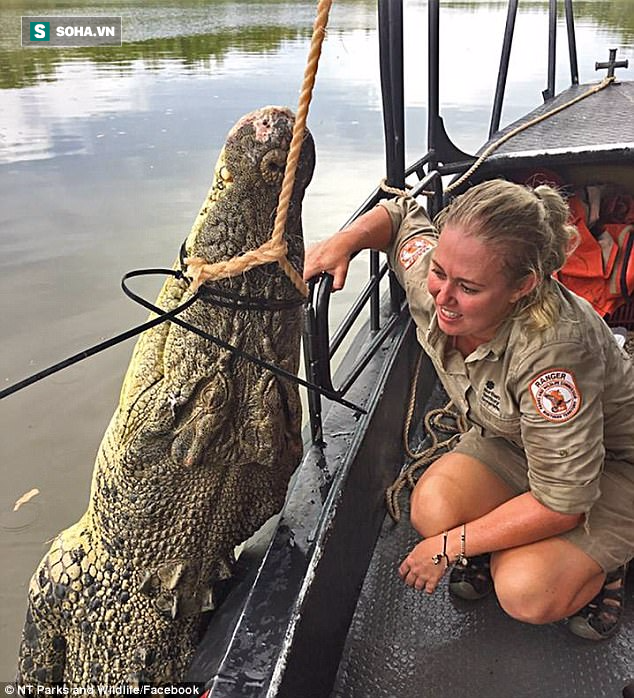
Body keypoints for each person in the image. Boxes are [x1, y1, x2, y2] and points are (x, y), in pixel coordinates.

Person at [303, 179, 634, 641]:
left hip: (607, 468)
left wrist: (450, 546)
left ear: (523, 286)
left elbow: (564, 502)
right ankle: (506, 537)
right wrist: (344, 243)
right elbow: (399, 220)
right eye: (440, 273)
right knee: (431, 508)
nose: (442, 297)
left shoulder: (554, 355)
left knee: (525, 588)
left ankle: (607, 565)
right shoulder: (441, 276)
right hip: (514, 441)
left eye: (469, 288)